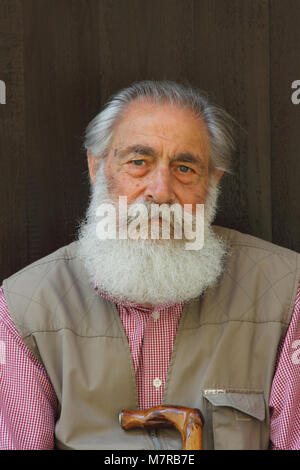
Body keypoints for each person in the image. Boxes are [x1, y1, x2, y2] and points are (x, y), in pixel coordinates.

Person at [0, 81, 299, 450]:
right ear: (96, 167)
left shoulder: (285, 291)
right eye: (138, 162)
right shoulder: (24, 306)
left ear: (212, 182)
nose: (160, 190)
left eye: (185, 167)